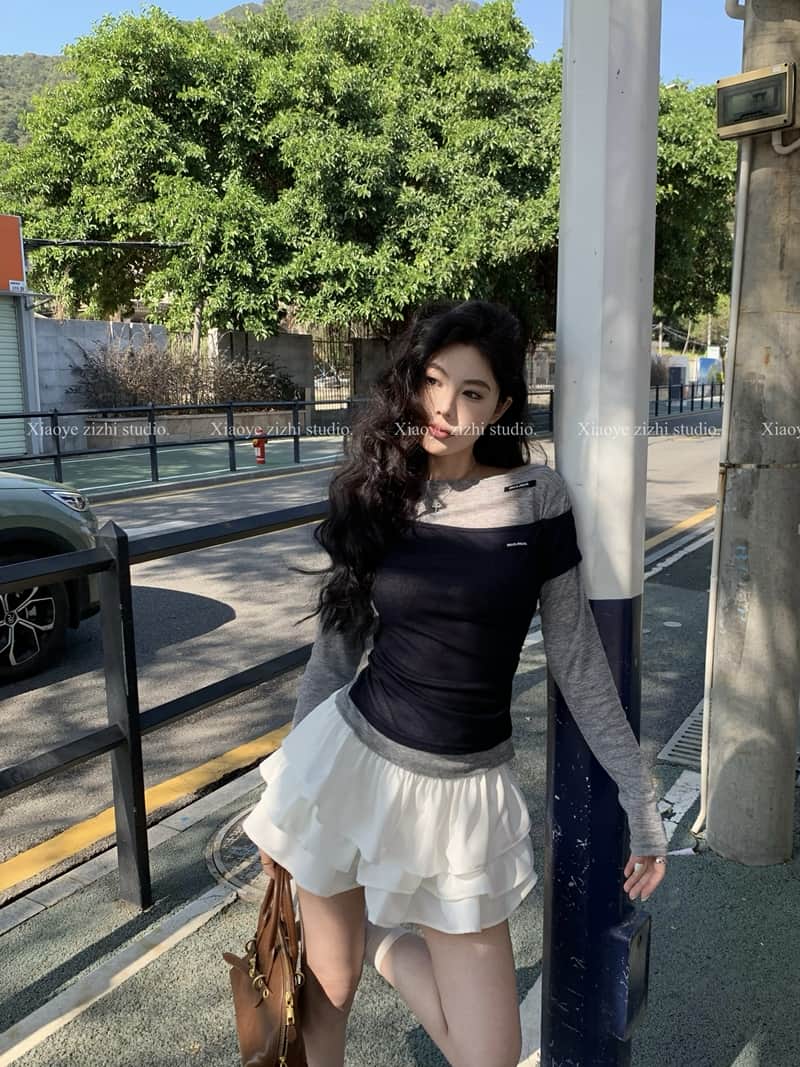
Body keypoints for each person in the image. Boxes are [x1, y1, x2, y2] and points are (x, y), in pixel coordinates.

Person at [242, 299, 668, 1067]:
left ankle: (388, 945)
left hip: (466, 798)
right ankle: (369, 948)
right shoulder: (378, 492)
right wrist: (287, 804)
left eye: (472, 392)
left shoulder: (538, 499)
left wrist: (641, 798)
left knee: (489, 1054)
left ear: (500, 407)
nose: (445, 407)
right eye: (433, 382)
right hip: (348, 766)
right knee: (326, 987)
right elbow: (333, 659)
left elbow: (577, 661)